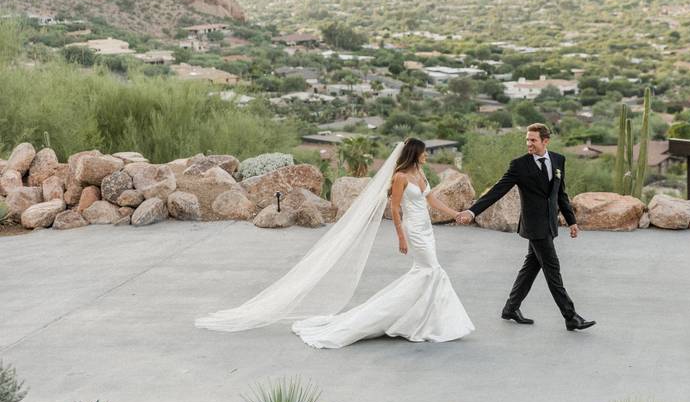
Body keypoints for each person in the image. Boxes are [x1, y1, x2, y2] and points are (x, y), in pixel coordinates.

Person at [196, 138, 474, 348]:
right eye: (424, 152)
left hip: (427, 228)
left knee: (426, 273)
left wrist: (456, 214)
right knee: (430, 271)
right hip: (413, 229)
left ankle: (417, 318)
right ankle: (420, 320)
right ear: (416, 152)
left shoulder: (421, 174)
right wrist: (401, 236)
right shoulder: (401, 177)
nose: (427, 155)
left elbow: (432, 200)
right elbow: (395, 207)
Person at [456, 123, 595, 331]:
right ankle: (570, 316)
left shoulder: (558, 160)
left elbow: (560, 194)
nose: (529, 144)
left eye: (533, 140)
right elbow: (497, 190)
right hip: (534, 226)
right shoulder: (519, 165)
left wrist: (571, 220)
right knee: (552, 270)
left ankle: (510, 308)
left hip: (549, 224)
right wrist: (472, 211)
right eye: (527, 140)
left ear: (545, 141)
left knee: (531, 267)